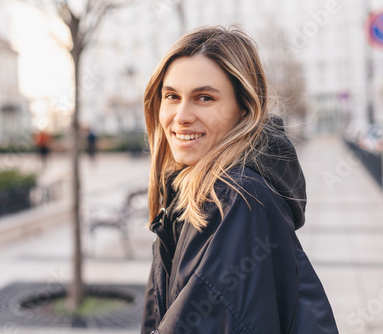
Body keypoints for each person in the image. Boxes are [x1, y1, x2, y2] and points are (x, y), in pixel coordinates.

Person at [141, 26, 338, 334]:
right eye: (171, 96)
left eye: (204, 98)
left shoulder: (233, 197)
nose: (181, 115)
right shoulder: (198, 188)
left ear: (244, 109)